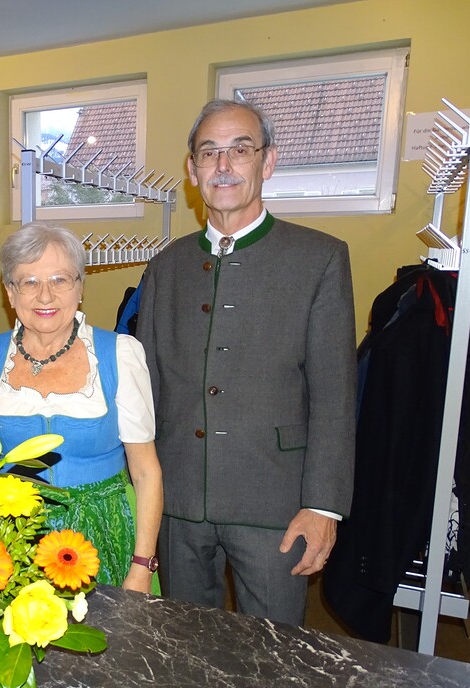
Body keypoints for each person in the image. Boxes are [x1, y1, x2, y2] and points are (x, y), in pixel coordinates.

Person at [135, 99, 356, 625]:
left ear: (267, 161)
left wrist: (323, 506)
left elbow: (335, 395)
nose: (223, 165)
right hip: (179, 503)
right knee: (184, 646)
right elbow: (149, 389)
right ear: (192, 170)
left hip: (276, 502)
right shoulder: (165, 266)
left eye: (240, 149)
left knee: (272, 655)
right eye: (208, 152)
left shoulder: (319, 258)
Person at [0, 222, 163, 594]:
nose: (45, 295)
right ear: (10, 292)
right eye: (29, 282)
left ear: (80, 288)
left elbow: (146, 471)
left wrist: (142, 565)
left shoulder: (120, 355)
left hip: (105, 536)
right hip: (9, 542)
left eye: (60, 280)